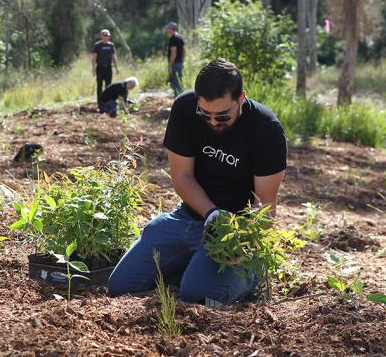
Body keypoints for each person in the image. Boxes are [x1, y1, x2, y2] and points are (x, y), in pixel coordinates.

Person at [108, 59, 288, 305]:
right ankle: (195, 264)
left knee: (196, 296)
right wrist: (211, 213)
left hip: (234, 231)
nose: (213, 122)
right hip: (189, 217)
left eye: (223, 116)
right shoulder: (184, 108)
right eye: (205, 115)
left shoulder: (266, 129)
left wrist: (239, 237)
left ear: (241, 98)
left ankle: (250, 272)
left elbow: (265, 205)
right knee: (121, 285)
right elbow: (182, 177)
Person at [92, 29, 120, 103]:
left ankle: (107, 101)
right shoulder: (97, 45)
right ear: (101, 36)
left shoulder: (111, 45)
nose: (107, 37)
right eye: (105, 35)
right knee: (99, 86)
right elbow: (94, 57)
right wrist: (93, 68)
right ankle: (99, 102)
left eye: (108, 35)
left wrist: (117, 67)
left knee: (108, 86)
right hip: (100, 68)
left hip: (108, 68)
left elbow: (114, 56)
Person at [165, 22, 186, 97]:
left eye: (168, 29)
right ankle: (180, 96)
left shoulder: (173, 38)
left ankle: (178, 98)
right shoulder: (180, 37)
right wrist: (182, 61)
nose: (167, 30)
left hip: (175, 63)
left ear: (171, 29)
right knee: (179, 80)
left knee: (175, 82)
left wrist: (170, 65)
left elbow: (173, 52)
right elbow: (184, 51)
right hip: (179, 62)